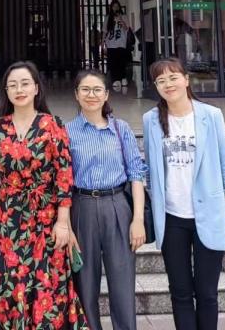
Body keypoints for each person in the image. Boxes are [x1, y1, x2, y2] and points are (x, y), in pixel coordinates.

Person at [0, 61, 88, 330]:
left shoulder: (52, 125)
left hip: (46, 218)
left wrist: (63, 222)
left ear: (36, 88)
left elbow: (64, 176)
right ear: (6, 91)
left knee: (47, 281)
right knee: (9, 279)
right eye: (13, 85)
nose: (19, 89)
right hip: (9, 219)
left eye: (25, 83)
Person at [143, 57, 225, 330]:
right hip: (171, 217)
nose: (168, 84)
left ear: (186, 80)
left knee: (207, 292)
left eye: (173, 77)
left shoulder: (210, 116)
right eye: (161, 80)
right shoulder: (151, 120)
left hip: (209, 214)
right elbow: (151, 169)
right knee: (180, 292)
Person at [66, 69, 147, 330]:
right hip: (82, 207)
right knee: (84, 282)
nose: (91, 95)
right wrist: (66, 226)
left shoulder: (121, 129)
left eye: (97, 90)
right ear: (76, 95)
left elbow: (136, 173)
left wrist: (137, 219)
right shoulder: (66, 132)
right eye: (85, 90)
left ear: (106, 94)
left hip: (117, 206)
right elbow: (62, 181)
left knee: (122, 281)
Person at [103, 0, 131, 92]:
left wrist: (120, 19)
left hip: (121, 42)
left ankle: (123, 77)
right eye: (114, 6)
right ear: (111, 8)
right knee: (113, 62)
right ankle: (115, 79)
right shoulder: (108, 17)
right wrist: (103, 42)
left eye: (117, 6)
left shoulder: (124, 16)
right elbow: (105, 31)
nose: (115, 8)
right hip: (111, 43)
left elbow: (127, 28)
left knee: (121, 61)